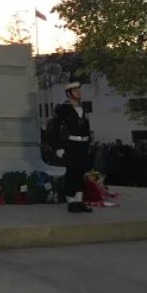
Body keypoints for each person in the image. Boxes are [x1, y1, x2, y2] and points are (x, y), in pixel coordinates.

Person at [51, 81, 93, 213]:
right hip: (71, 145)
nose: (79, 93)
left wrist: (88, 144)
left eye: (79, 90)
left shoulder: (83, 108)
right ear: (69, 94)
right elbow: (55, 129)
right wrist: (58, 147)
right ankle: (71, 201)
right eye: (75, 91)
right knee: (72, 173)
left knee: (81, 173)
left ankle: (79, 201)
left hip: (83, 145)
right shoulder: (63, 109)